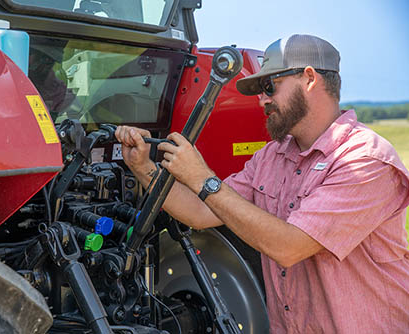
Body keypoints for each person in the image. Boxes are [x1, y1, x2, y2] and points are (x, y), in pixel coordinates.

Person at [115, 34, 409, 333]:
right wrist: (144, 168)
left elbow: (288, 247)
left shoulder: (364, 161)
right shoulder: (272, 156)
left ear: (309, 78)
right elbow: (200, 213)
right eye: (259, 90)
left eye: (270, 87)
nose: (262, 99)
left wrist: (202, 177)